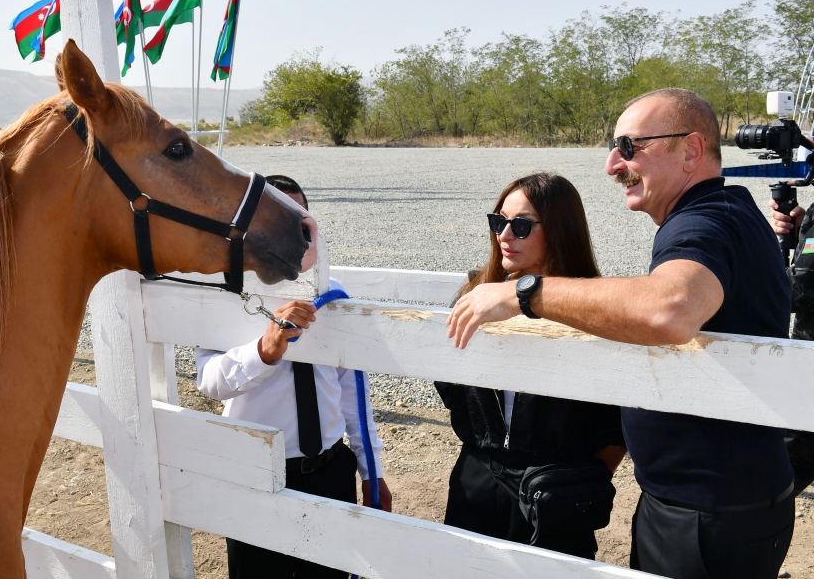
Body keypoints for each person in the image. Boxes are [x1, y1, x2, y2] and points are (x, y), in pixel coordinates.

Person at [446, 88, 795, 579]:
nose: (613, 165)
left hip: (705, 507)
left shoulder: (705, 222)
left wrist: (525, 294)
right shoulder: (727, 211)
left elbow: (670, 310)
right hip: (718, 497)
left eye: (630, 147)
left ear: (691, 150)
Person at [195, 174, 392, 579]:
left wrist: (371, 472)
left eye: (299, 222)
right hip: (256, 474)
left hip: (329, 470)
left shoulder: (333, 293)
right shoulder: (221, 298)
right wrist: (263, 351)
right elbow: (209, 382)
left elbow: (353, 393)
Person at [436, 172, 625, 559]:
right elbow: (451, 388)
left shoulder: (595, 310)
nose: (504, 235)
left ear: (559, 230)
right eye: (498, 221)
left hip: (556, 490)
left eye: (521, 225)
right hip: (478, 481)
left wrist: (580, 479)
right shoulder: (475, 297)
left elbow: (616, 425)